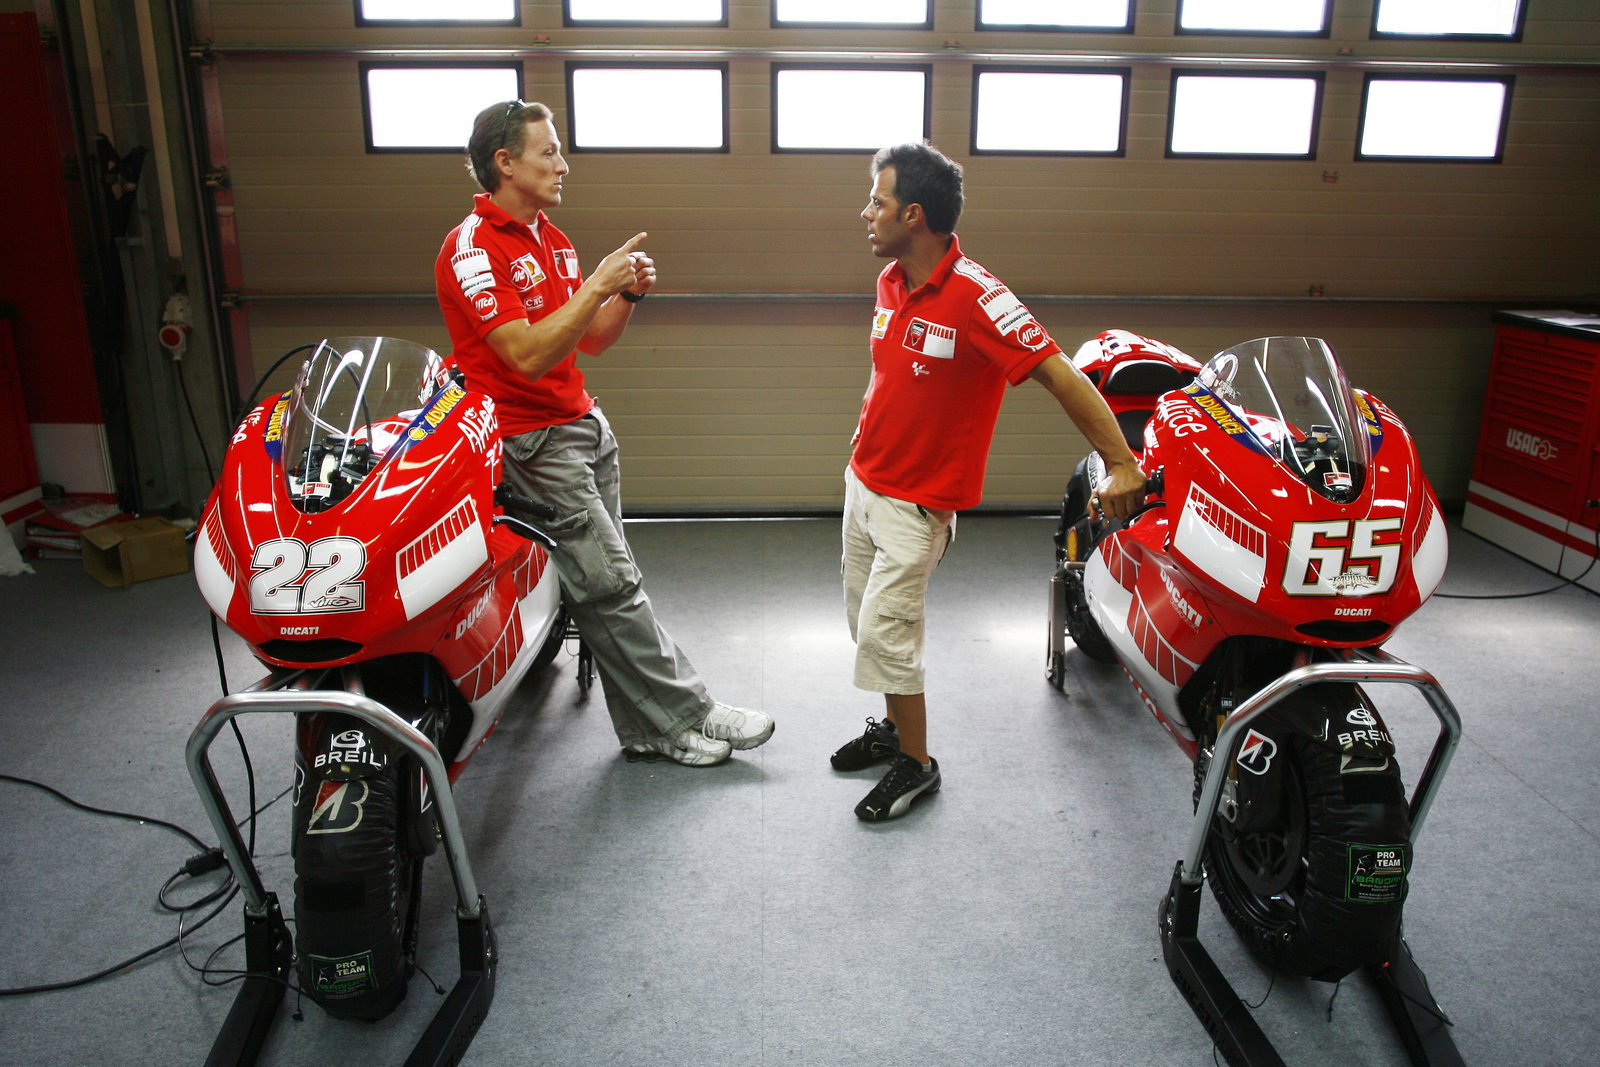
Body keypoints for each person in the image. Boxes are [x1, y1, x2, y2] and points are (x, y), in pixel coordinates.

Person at [435, 99, 773, 767]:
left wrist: (624, 296)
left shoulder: (552, 239)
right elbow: (525, 355)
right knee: (611, 586)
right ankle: (688, 713)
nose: (563, 164)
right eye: (548, 152)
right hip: (531, 441)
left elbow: (589, 340)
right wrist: (597, 284)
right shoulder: (472, 247)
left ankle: (647, 729)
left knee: (603, 586)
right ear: (506, 163)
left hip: (581, 425)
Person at [833, 142, 1144, 820]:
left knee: (889, 633)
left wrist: (1121, 462)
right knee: (866, 623)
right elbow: (891, 373)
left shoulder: (979, 297)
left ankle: (917, 764)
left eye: (877, 202)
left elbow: (1060, 373)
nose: (865, 213)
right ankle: (893, 730)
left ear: (913, 215)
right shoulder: (891, 280)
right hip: (865, 484)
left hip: (917, 506)